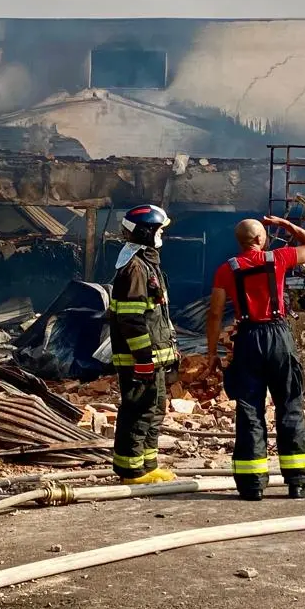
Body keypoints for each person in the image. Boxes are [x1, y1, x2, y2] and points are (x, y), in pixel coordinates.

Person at [206, 215, 305, 500]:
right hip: (279, 337)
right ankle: (298, 483)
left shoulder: (226, 269)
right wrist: (287, 226)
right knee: (289, 406)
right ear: (260, 239)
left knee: (249, 411)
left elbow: (214, 314)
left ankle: (251, 486)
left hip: (247, 339)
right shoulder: (278, 258)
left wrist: (211, 352)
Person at [108, 204, 180, 484]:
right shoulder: (135, 269)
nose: (162, 234)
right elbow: (131, 320)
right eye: (159, 229)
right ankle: (130, 471)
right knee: (137, 411)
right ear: (146, 232)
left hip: (153, 357)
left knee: (153, 409)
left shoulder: (147, 264)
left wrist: (169, 351)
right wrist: (143, 359)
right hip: (139, 359)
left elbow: (157, 315)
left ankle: (147, 465)